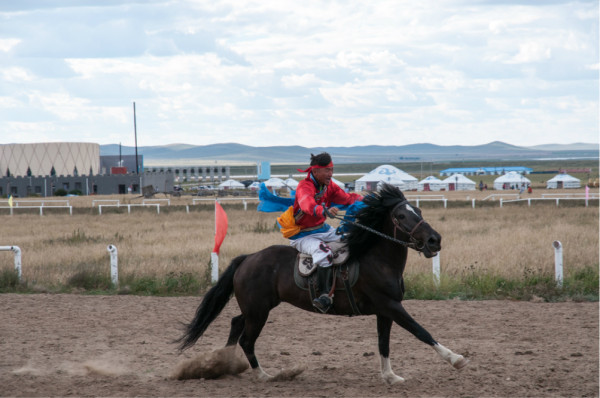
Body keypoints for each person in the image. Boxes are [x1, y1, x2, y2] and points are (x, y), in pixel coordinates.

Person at [277, 152, 362, 313]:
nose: (331, 174)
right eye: (327, 170)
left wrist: (367, 200)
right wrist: (323, 210)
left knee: (352, 239)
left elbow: (347, 198)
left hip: (323, 230)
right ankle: (323, 296)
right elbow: (307, 204)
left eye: (332, 169)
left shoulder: (329, 186)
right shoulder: (304, 186)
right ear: (315, 172)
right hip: (302, 235)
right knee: (323, 253)